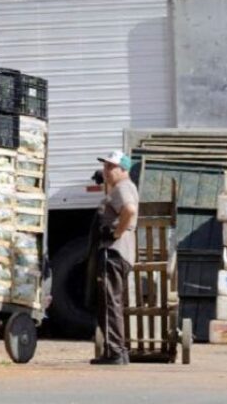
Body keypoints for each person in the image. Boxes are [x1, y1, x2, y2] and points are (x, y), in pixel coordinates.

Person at [92, 150, 139, 365]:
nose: (107, 171)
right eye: (105, 167)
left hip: (113, 252)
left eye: (111, 167)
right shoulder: (120, 187)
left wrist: (116, 233)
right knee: (111, 301)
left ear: (124, 170)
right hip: (118, 252)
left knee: (110, 302)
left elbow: (129, 210)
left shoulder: (122, 188)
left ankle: (115, 352)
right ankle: (117, 350)